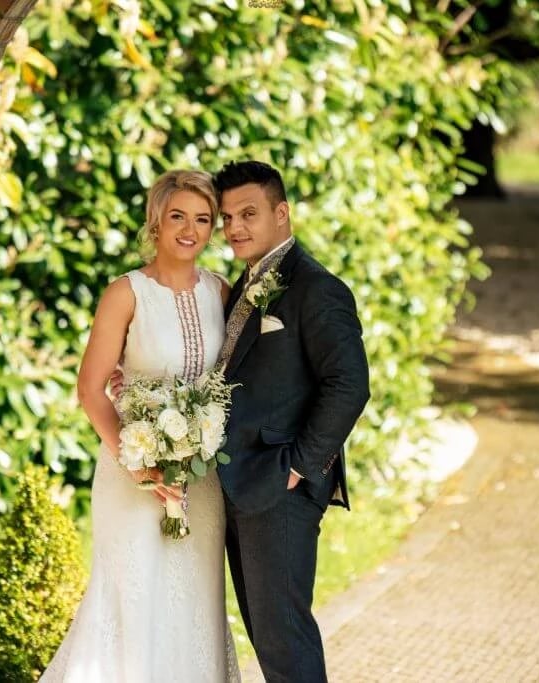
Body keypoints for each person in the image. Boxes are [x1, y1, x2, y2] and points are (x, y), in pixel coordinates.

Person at [41, 170, 239, 682]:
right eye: (178, 216)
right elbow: (91, 389)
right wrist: (138, 466)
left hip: (201, 482)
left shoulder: (221, 292)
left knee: (195, 602)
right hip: (131, 475)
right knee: (132, 599)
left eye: (203, 219)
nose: (190, 230)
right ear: (156, 221)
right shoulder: (126, 293)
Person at [213, 160, 370, 682]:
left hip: (280, 486)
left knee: (285, 639)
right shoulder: (245, 283)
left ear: (281, 213)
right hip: (241, 483)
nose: (235, 227)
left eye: (249, 213)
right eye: (227, 217)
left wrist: (298, 466)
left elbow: (349, 384)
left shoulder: (317, 288)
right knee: (268, 636)